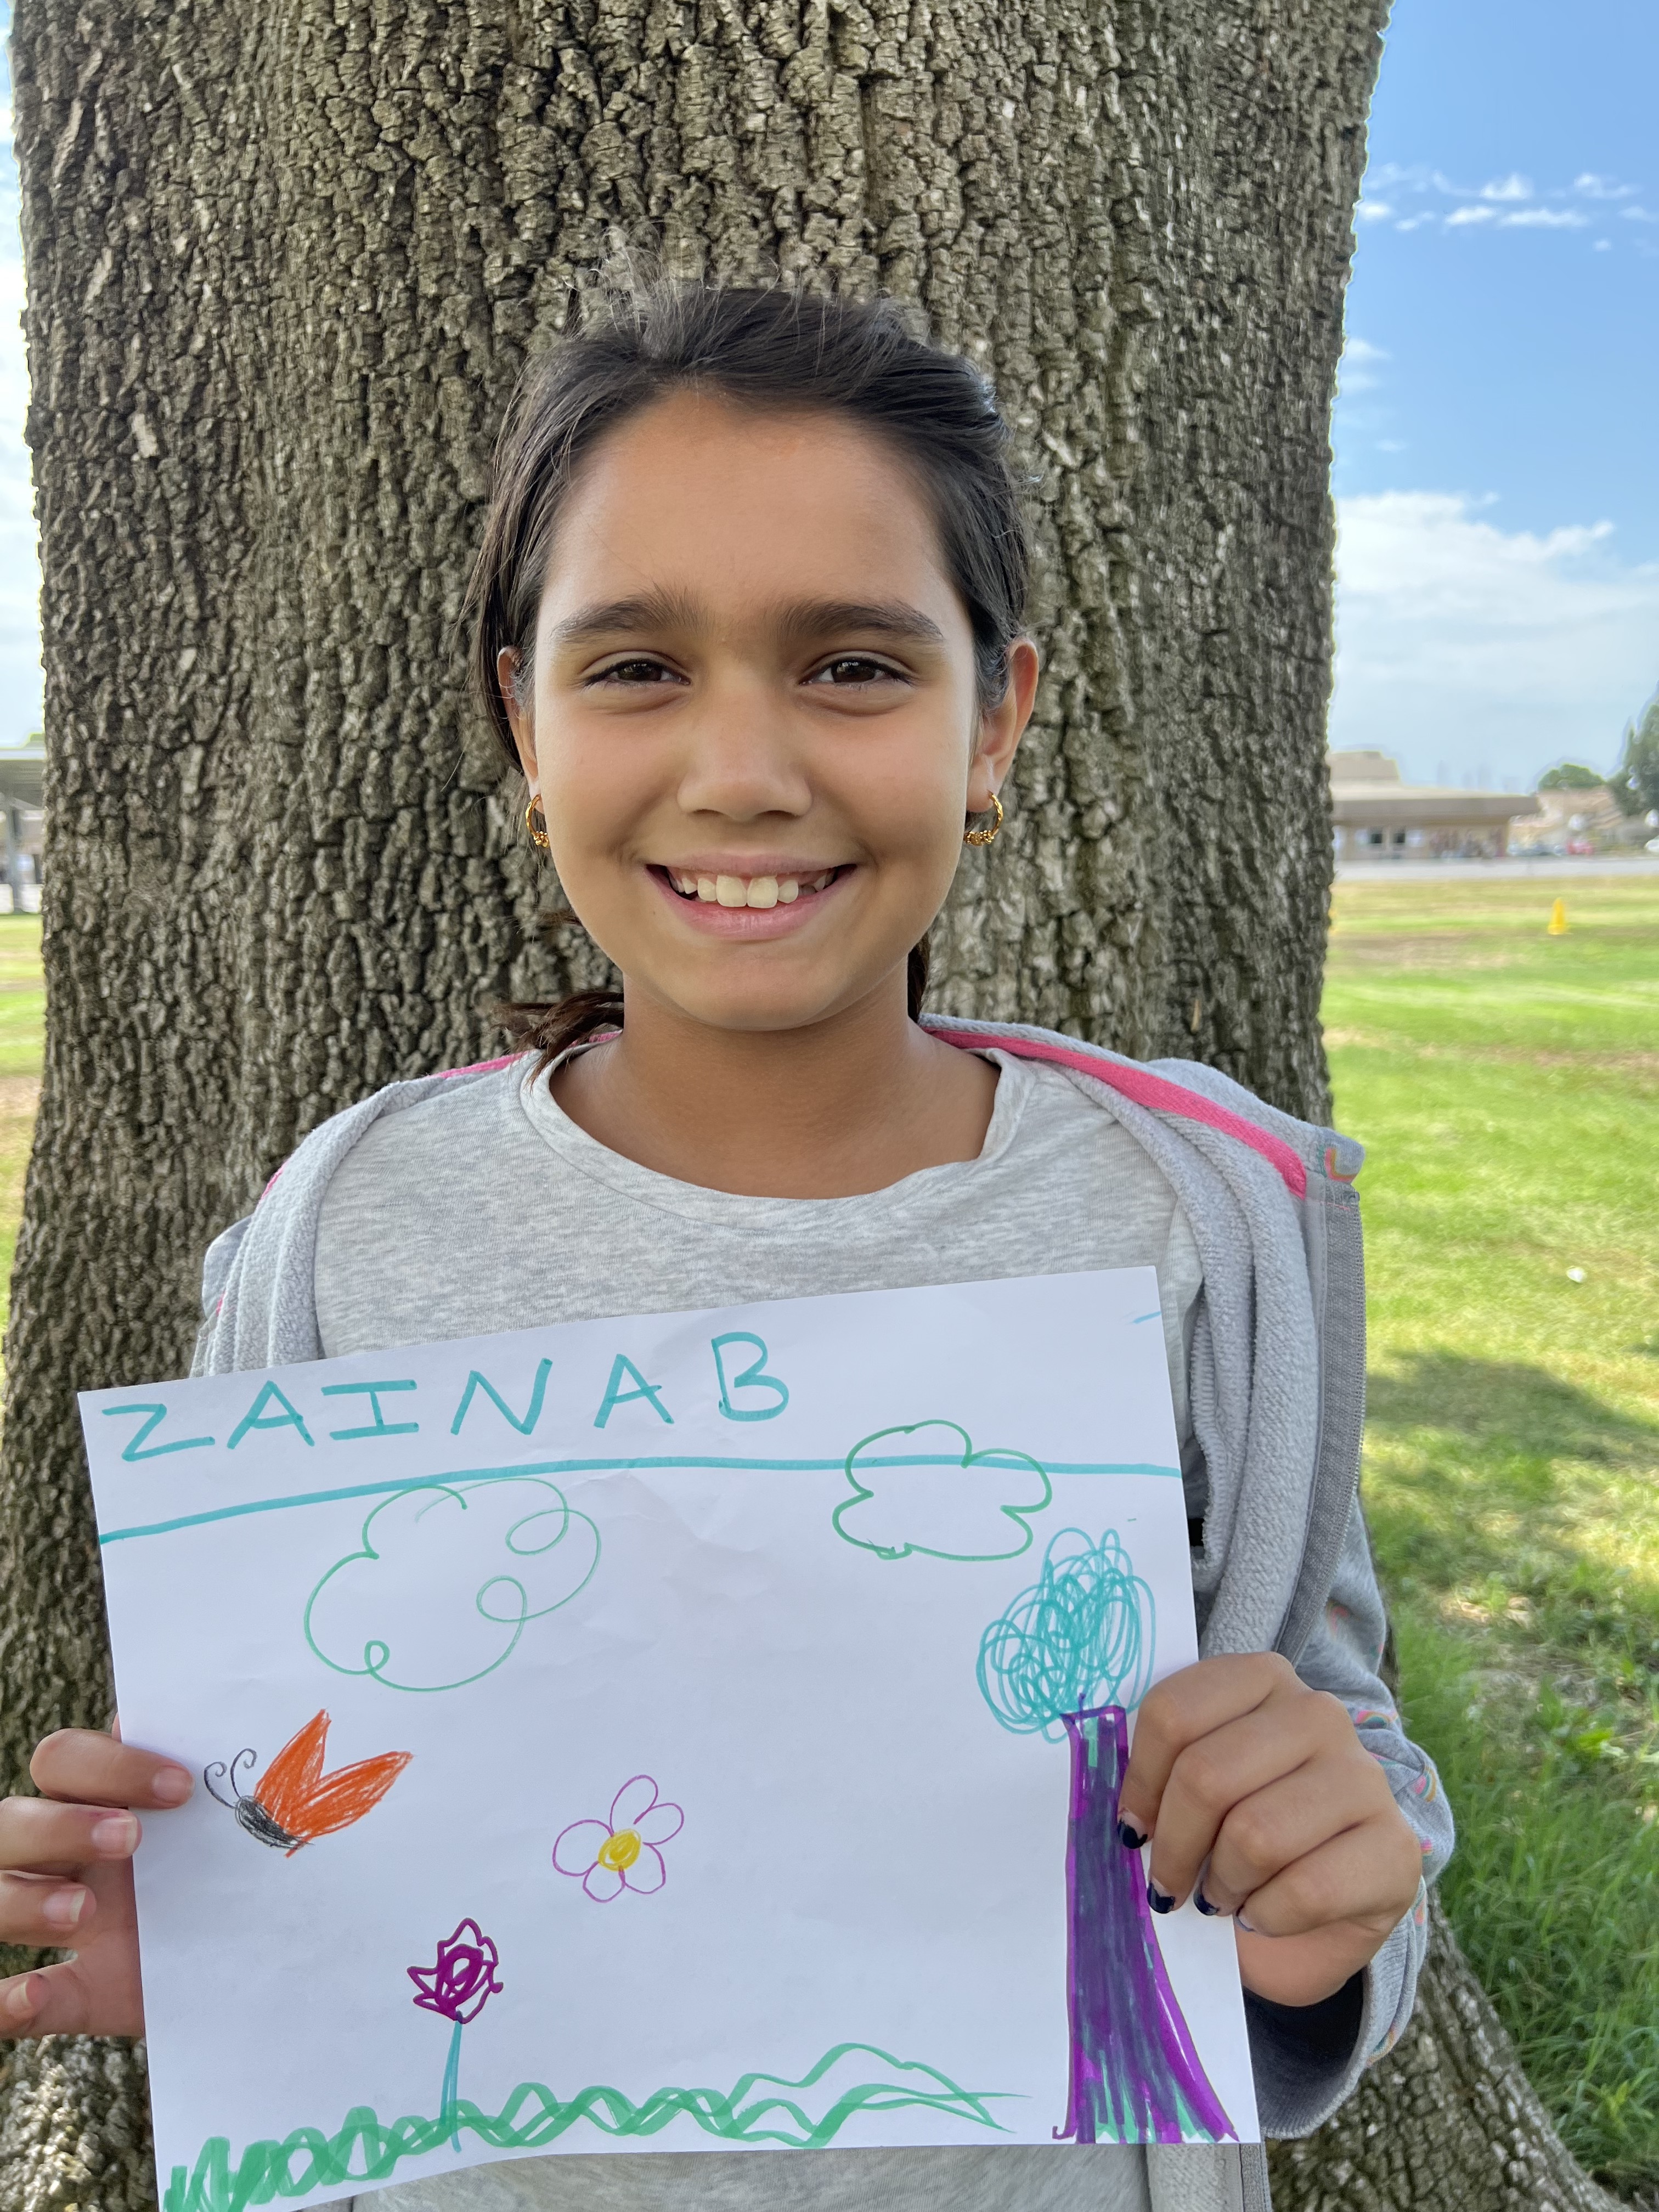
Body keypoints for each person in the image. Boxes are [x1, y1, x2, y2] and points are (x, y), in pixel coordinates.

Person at [0, 280, 1449, 2212]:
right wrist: (217, 1931)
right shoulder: (332, 1239)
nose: (744, 769)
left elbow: (1339, 1747)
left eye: (852, 664)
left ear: (995, 720)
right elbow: (308, 1790)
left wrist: (1323, 1914)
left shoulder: (1199, 1231)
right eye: (634, 667)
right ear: (523, 725)